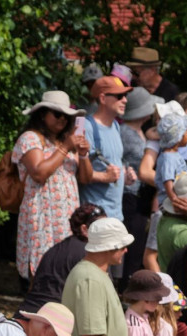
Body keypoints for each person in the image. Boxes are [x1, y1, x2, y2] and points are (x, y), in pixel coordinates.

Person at [12, 91, 94, 283]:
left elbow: (86, 178)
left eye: (67, 116)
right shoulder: (31, 138)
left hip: (66, 221)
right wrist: (65, 147)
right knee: (41, 274)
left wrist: (83, 155)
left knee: (65, 274)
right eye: (57, 114)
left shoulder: (65, 142)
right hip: (41, 218)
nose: (63, 119)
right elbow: (39, 173)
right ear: (42, 114)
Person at [18, 204, 106, 315]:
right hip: (51, 319)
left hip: (30, 312)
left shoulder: (55, 249)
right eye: (102, 228)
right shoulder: (90, 254)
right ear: (84, 229)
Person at [118, 88, 163, 285]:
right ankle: (128, 285)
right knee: (134, 245)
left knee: (139, 245)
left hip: (141, 197)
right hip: (131, 197)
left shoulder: (141, 131)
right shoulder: (126, 133)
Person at [80, 76, 131, 226]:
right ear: (102, 98)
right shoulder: (86, 127)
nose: (125, 100)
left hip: (116, 214)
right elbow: (76, 172)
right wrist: (104, 177)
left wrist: (124, 175)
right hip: (96, 216)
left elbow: (112, 162)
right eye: (119, 96)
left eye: (125, 96)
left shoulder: (115, 125)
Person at [155, 112, 187, 206]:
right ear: (179, 138)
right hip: (169, 204)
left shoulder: (173, 154)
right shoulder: (168, 158)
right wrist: (175, 200)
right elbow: (168, 181)